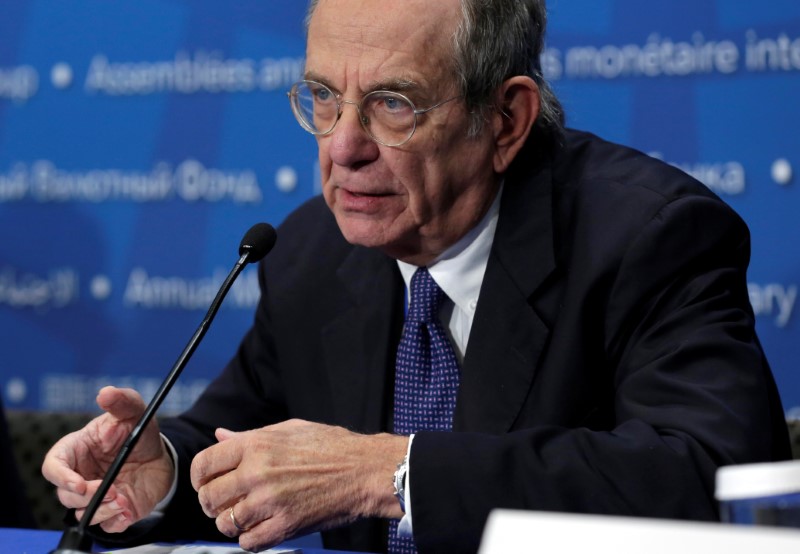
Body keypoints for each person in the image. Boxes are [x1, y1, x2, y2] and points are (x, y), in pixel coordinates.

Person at [43, 0, 790, 552]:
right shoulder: (314, 250)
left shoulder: (647, 237)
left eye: (392, 105)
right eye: (325, 98)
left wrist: (390, 472)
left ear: (506, 121)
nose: (343, 149)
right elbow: (239, 435)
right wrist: (161, 468)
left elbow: (716, 480)